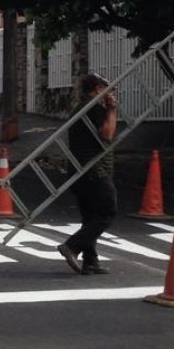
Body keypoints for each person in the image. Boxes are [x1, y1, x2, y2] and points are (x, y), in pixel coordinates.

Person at [57, 72, 118, 275]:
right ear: (99, 89)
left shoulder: (81, 107)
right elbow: (107, 134)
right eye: (108, 88)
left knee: (90, 216)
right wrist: (111, 108)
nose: (111, 92)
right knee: (107, 211)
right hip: (94, 169)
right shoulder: (94, 108)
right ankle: (72, 246)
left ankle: (90, 260)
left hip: (78, 170)